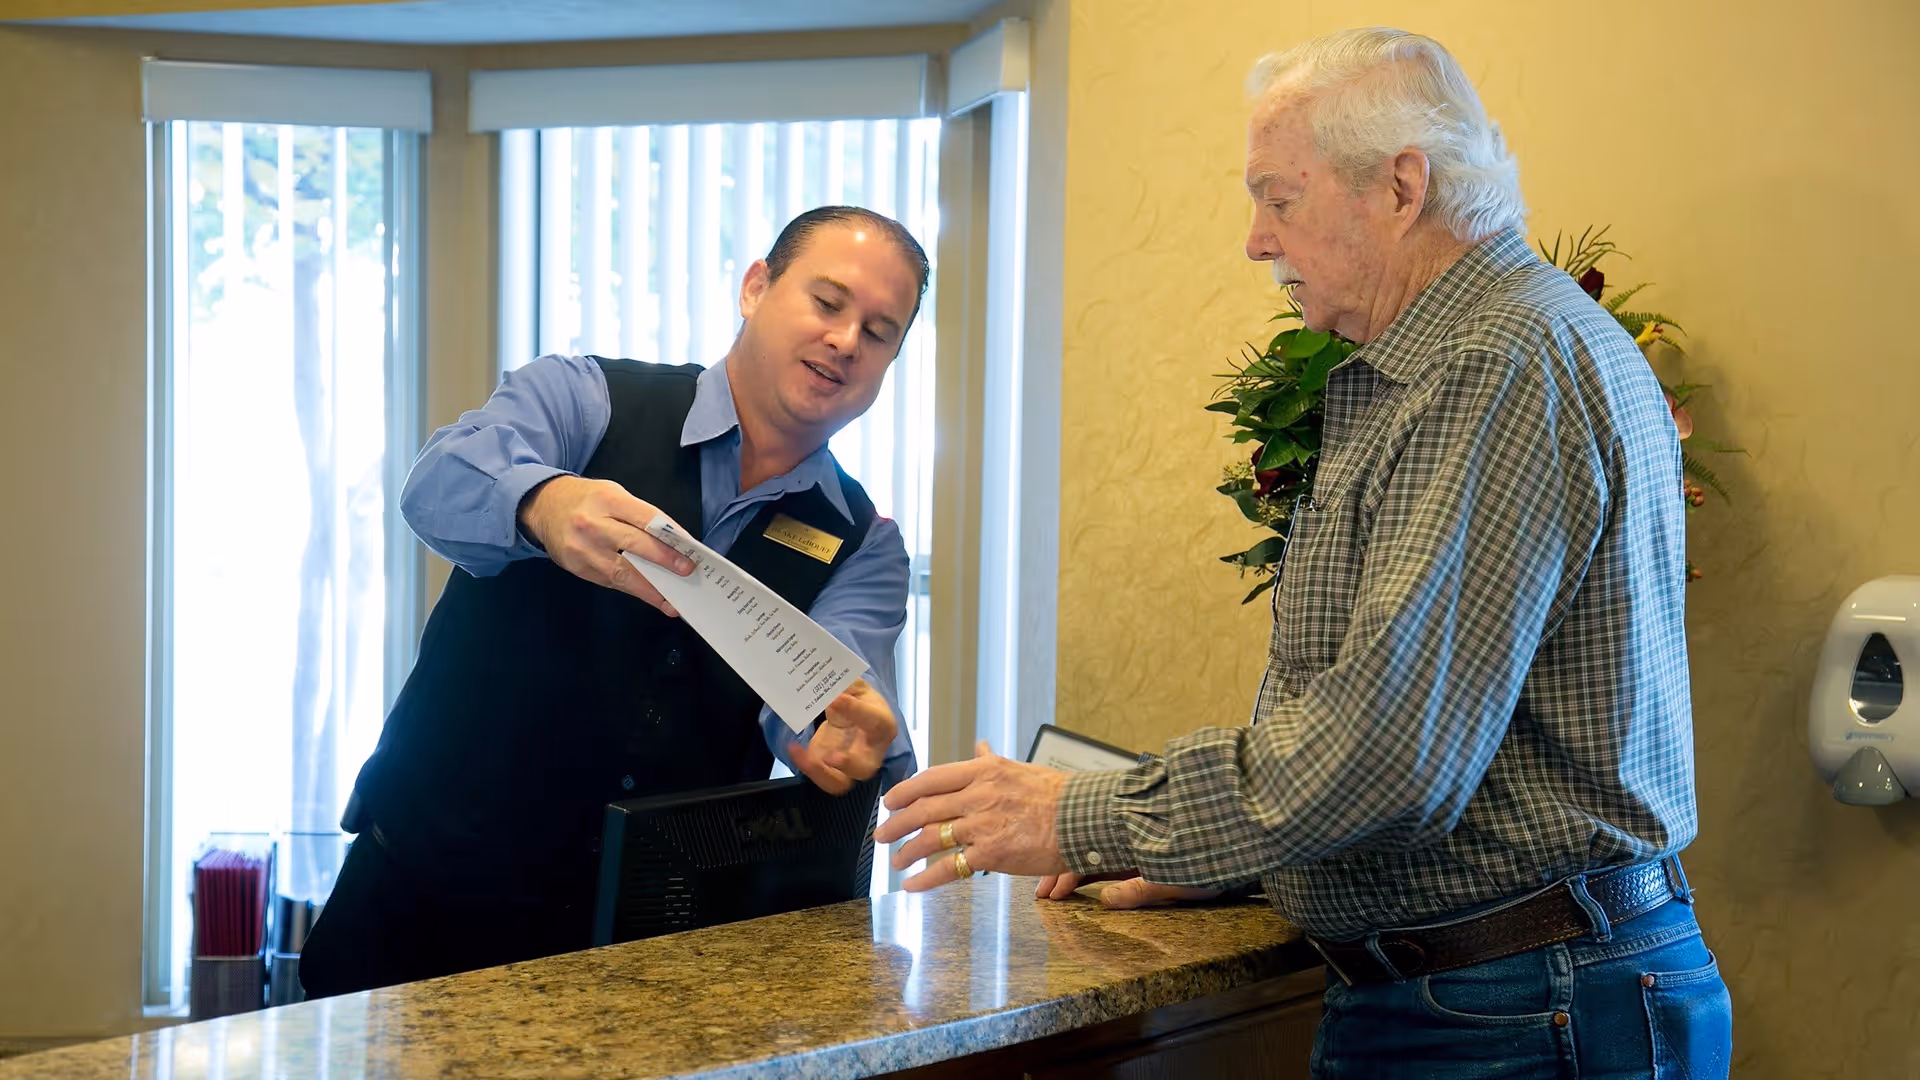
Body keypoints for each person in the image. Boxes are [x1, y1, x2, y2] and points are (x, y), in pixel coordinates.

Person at [874, 28, 1732, 1079]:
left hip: (1512, 1010)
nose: (1253, 240)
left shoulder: (1494, 363)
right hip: (1501, 993)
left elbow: (1391, 755)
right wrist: (1228, 857)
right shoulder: (1481, 352)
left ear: (1401, 187)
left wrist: (1087, 817)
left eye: (1279, 199)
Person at [299, 206, 926, 998]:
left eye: (879, 331)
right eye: (828, 303)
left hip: (647, 951)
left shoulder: (862, 543)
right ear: (756, 287)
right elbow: (436, 483)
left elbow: (833, 694)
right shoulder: (585, 399)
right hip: (417, 909)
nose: (845, 340)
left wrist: (842, 740)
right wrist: (544, 506)